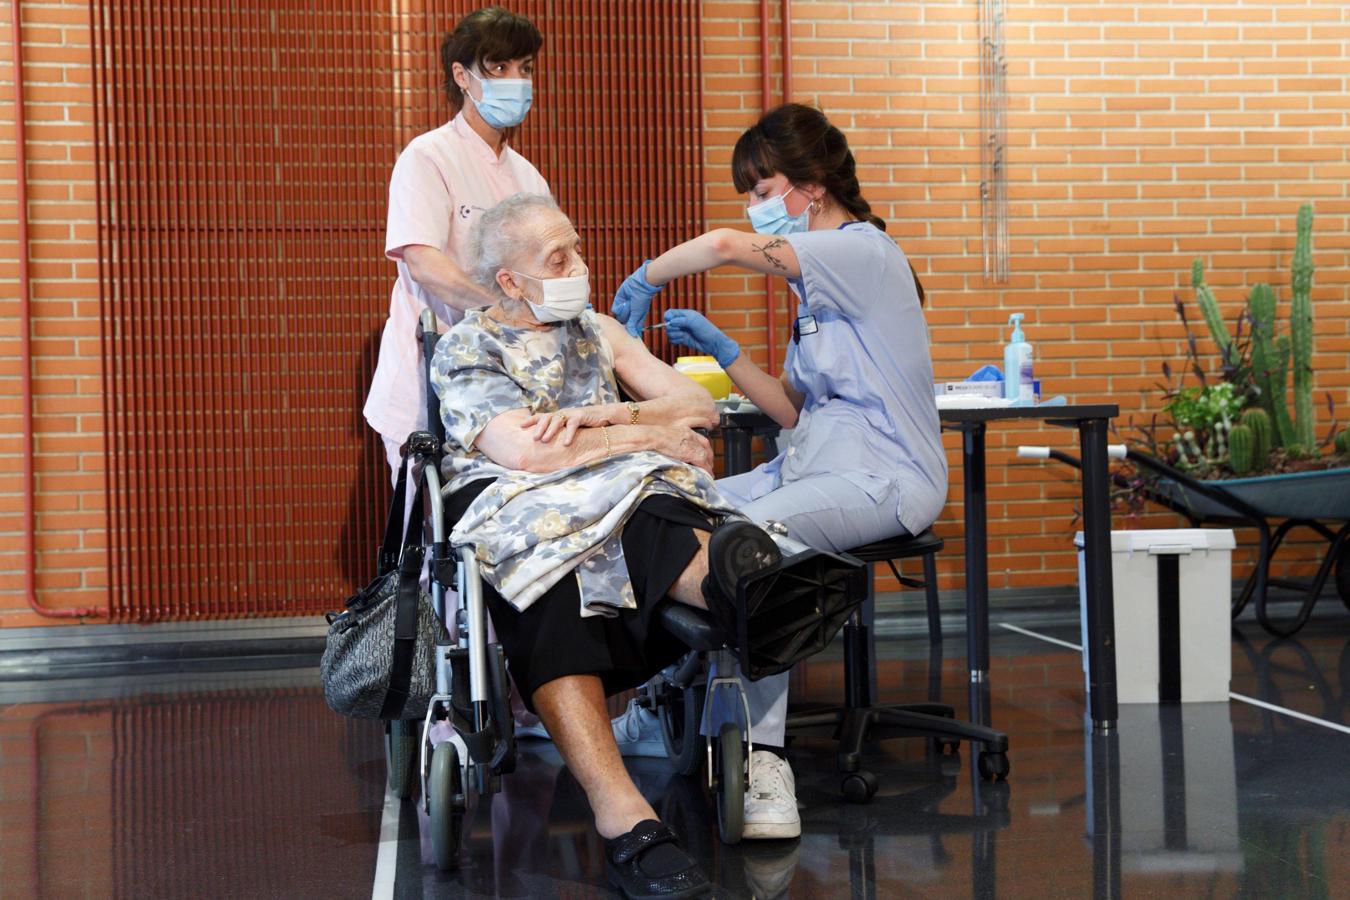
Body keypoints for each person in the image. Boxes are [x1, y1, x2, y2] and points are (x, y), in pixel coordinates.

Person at [433, 192, 822, 898]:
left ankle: (754, 590)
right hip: (522, 507)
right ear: (511, 283)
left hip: (619, 487)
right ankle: (626, 821)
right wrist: (646, 433)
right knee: (550, 575)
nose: (581, 265)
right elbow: (526, 454)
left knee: (658, 511)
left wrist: (608, 415)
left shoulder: (598, 329)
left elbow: (697, 406)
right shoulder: (468, 347)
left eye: (576, 247)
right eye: (561, 258)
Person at [610, 103, 949, 841]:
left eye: (764, 190)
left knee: (749, 540)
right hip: (814, 461)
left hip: (887, 478)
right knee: (663, 502)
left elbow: (729, 245)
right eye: (751, 194)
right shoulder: (814, 292)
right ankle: (666, 696)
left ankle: (764, 759)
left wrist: (647, 276)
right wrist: (727, 351)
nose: (755, 208)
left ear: (813, 185)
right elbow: (795, 409)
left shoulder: (866, 253)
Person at [360, 6, 657, 753]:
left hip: (523, 384)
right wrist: (500, 302)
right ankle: (471, 693)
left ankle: (549, 686)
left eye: (524, 70)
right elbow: (420, 256)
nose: (515, 84)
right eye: (498, 70)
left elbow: (545, 262)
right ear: (461, 77)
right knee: (457, 539)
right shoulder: (426, 157)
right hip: (448, 379)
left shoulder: (524, 173)